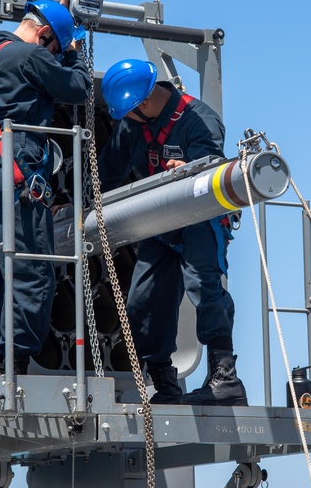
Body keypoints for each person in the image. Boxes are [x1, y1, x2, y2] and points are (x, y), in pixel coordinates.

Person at [97, 59, 247, 406]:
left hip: (199, 218)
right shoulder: (133, 125)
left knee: (204, 286)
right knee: (143, 301)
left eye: (128, 113)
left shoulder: (199, 119)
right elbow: (107, 172)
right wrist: (78, 202)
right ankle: (165, 384)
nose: (125, 121)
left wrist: (191, 169)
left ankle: (225, 379)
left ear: (145, 102)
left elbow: (209, 168)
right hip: (162, 223)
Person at [0, 0, 91, 375]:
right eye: (53, 48)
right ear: (44, 35)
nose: (54, 56)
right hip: (16, 171)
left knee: (11, 272)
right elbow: (78, 87)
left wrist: (61, 12)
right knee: (34, 273)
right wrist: (73, 50)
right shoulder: (30, 55)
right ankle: (13, 364)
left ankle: (1, 361)